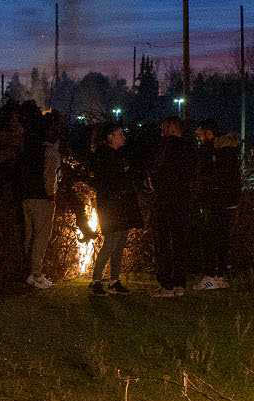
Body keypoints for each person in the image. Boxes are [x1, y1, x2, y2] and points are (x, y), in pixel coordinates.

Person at [83, 122, 140, 295]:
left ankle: (114, 280)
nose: (123, 136)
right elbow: (106, 181)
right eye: (119, 134)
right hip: (111, 206)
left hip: (121, 204)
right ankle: (96, 280)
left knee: (120, 242)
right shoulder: (104, 156)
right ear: (110, 137)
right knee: (111, 241)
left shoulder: (118, 155)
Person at [147, 116, 197, 297]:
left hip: (165, 200)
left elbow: (156, 171)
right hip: (182, 201)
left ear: (169, 128)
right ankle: (179, 283)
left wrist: (155, 184)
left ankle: (166, 284)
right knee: (179, 243)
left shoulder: (164, 146)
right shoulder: (189, 148)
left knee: (163, 243)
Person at [16, 103, 64, 288]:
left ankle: (28, 273)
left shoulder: (28, 146)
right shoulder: (48, 149)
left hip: (26, 196)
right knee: (41, 238)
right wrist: (51, 194)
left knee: (29, 236)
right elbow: (49, 174)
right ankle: (36, 275)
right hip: (42, 198)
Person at [194, 130, 242, 289]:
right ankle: (220, 276)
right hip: (228, 203)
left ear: (209, 134)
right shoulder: (231, 153)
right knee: (222, 239)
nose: (199, 138)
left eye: (201, 134)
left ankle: (210, 278)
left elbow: (208, 177)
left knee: (209, 239)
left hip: (215, 203)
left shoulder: (214, 153)